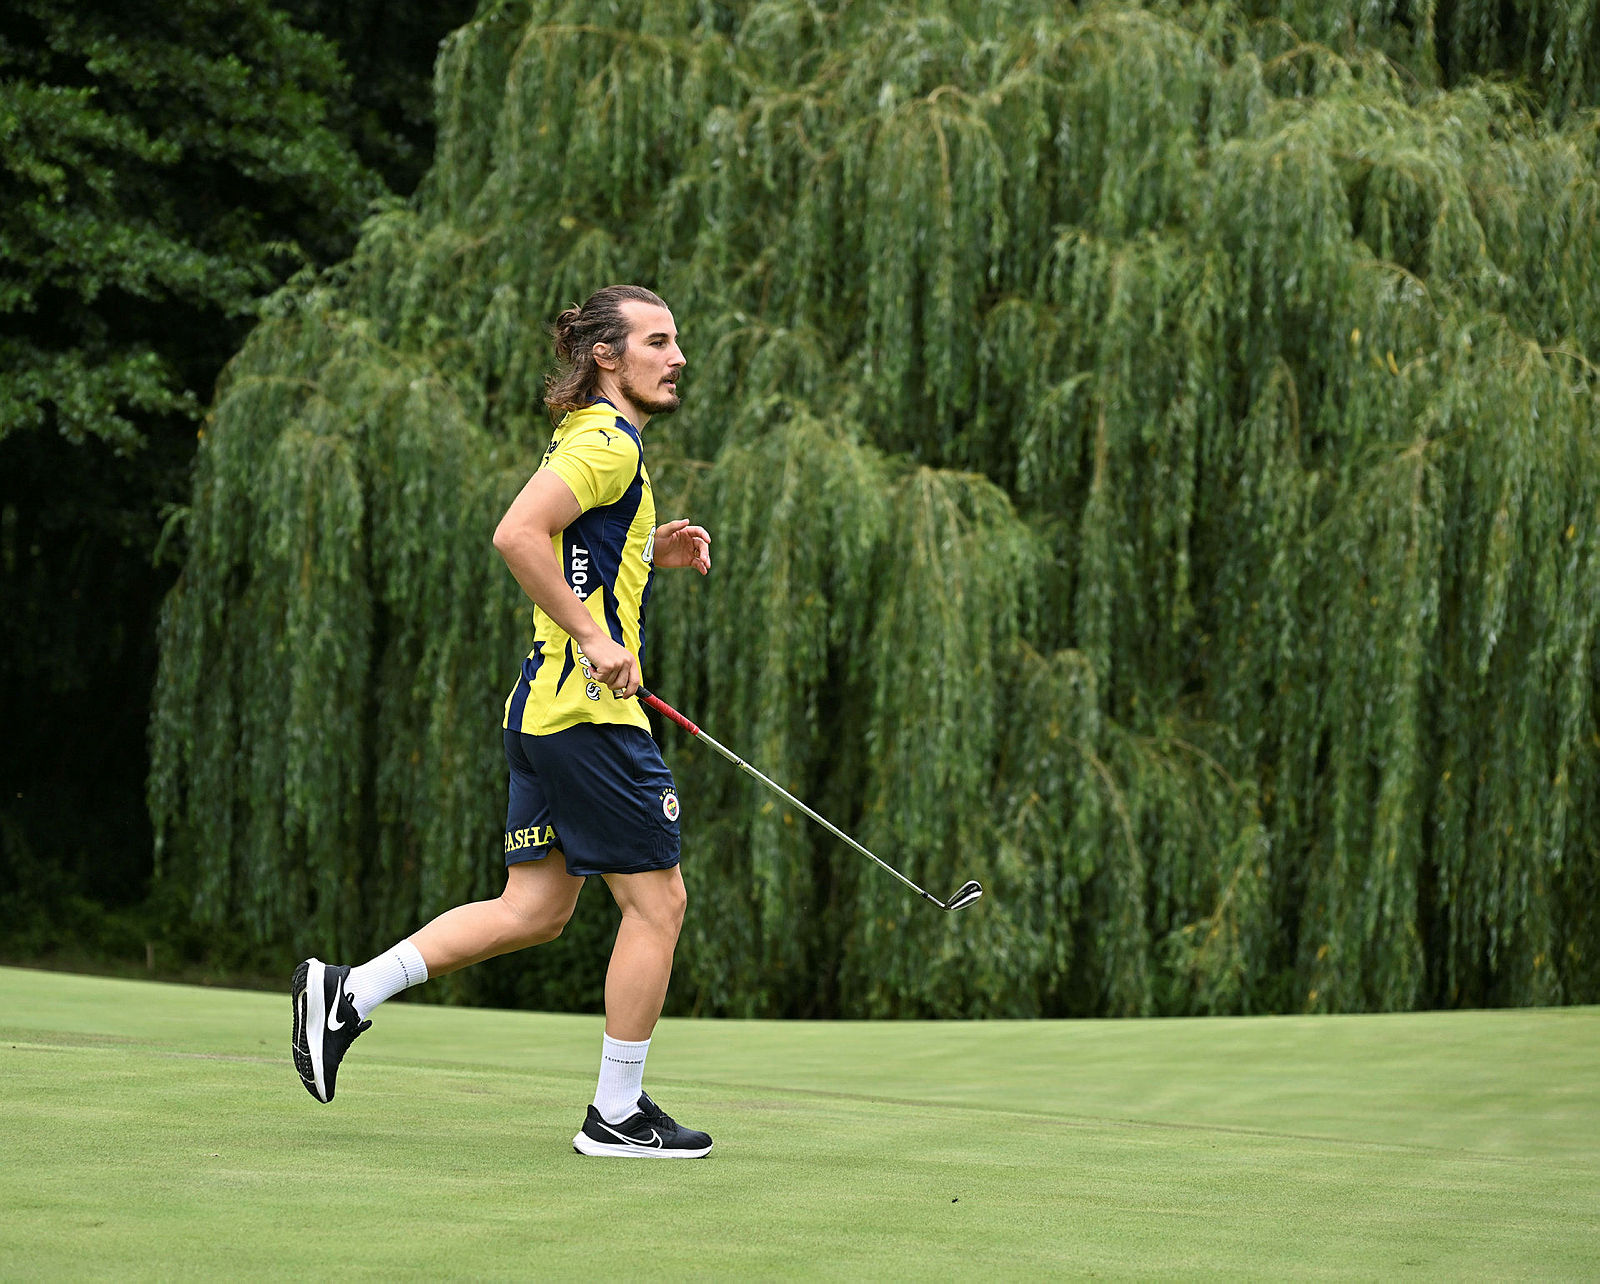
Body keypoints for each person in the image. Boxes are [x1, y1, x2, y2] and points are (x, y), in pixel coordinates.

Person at [291, 284, 715, 1158]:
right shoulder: (606, 442)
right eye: (658, 342)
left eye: (676, 342)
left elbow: (576, 549)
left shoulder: (597, 442)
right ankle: (618, 1115)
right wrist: (598, 639)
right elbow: (518, 534)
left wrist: (648, 548)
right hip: (590, 716)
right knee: (659, 903)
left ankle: (347, 993)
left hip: (545, 711)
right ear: (608, 356)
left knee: (534, 909)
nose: (677, 358)